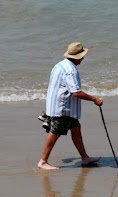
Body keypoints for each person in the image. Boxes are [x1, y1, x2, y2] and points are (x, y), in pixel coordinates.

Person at [38, 42, 103, 170]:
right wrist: (94, 99)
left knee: (76, 129)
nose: (83, 59)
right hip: (62, 108)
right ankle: (43, 161)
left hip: (59, 105)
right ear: (77, 58)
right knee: (54, 133)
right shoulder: (70, 71)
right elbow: (76, 93)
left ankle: (85, 158)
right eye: (82, 57)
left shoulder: (60, 65)